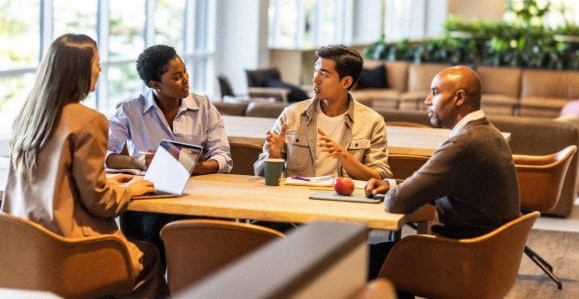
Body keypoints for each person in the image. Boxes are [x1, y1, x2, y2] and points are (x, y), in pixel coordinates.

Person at [1, 34, 168, 298]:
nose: (100, 70)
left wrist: (111, 181)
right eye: (97, 63)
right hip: (67, 252)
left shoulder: (27, 117)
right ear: (80, 70)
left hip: (24, 252)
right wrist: (130, 190)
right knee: (148, 257)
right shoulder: (88, 121)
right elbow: (99, 202)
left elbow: (53, 182)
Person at [365, 65, 521, 282]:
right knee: (395, 253)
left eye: (435, 92)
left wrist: (395, 191)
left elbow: (397, 202)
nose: (427, 100)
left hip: (462, 260)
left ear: (459, 98)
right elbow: (437, 185)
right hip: (488, 257)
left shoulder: (464, 143)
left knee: (357, 260)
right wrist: (393, 185)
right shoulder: (488, 132)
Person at [106, 44, 232, 265]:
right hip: (152, 199)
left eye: (185, 72)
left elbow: (223, 156)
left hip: (198, 197)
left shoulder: (203, 106)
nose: (185, 80)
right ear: (154, 85)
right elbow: (102, 155)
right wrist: (137, 161)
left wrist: (204, 167)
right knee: (154, 231)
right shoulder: (130, 110)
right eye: (176, 77)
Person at [254, 45, 391, 181]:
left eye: (324, 74)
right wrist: (273, 157)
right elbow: (259, 174)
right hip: (297, 198)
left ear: (346, 82)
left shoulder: (372, 121)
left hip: (345, 200)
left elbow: (379, 178)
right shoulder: (291, 115)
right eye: (316, 71)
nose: (315, 80)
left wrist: (344, 157)